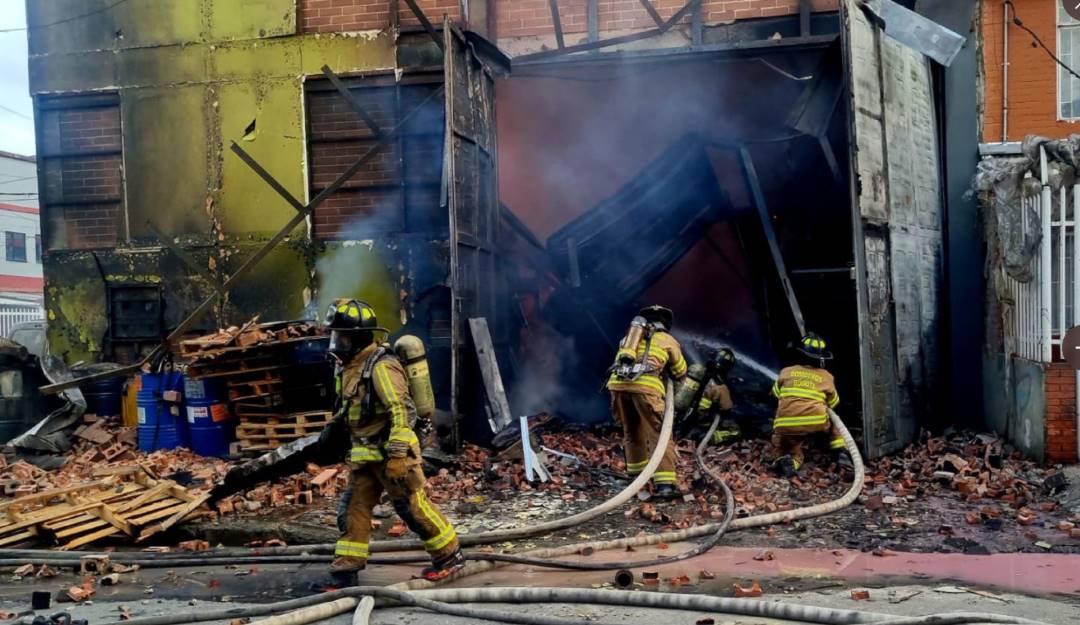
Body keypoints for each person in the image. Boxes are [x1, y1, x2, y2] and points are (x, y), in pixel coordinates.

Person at [324, 298, 464, 580]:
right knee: (352, 510)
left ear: (359, 338)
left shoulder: (381, 366)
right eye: (336, 336)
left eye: (343, 337)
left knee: (411, 508)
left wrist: (398, 455)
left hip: (392, 456)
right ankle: (346, 569)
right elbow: (348, 408)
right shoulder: (349, 367)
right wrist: (332, 431)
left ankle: (450, 557)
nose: (337, 342)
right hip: (365, 458)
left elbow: (403, 410)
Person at [606, 305, 688, 500]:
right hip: (646, 389)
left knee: (632, 431)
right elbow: (680, 371)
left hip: (618, 386)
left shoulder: (629, 339)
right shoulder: (667, 340)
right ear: (665, 324)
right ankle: (665, 485)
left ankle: (636, 479)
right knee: (659, 434)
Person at [770, 332, 845, 478]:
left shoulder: (786, 371)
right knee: (835, 420)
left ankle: (790, 459)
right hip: (816, 423)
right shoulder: (827, 376)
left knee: (787, 444)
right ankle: (840, 451)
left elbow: (775, 394)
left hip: (785, 424)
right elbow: (834, 403)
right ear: (821, 359)